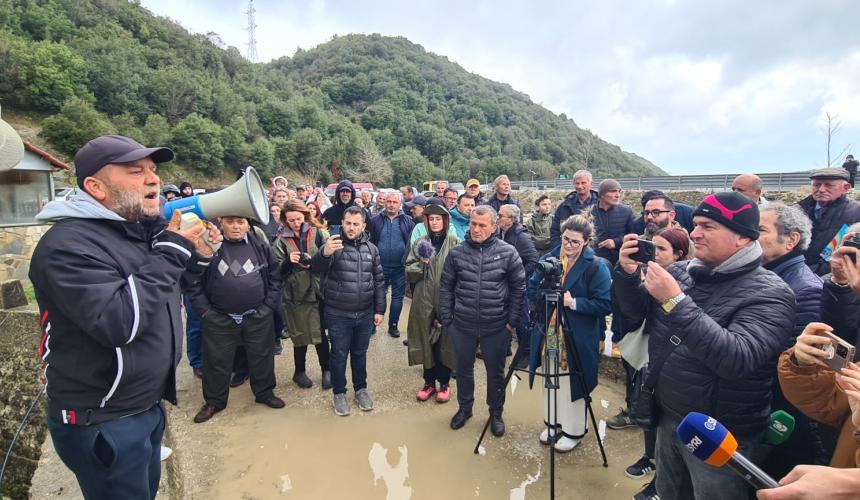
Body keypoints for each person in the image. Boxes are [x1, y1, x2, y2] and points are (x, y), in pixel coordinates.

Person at [30, 135, 220, 499]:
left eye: (152, 170)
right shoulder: (67, 246)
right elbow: (119, 322)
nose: (153, 179)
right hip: (102, 418)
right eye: (136, 171)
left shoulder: (132, 233)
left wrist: (196, 255)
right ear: (95, 187)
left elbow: (165, 290)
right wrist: (171, 250)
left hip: (142, 405)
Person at [613, 191, 795, 500]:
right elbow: (636, 313)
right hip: (671, 417)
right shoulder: (682, 272)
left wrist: (675, 300)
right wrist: (628, 275)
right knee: (670, 493)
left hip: (722, 432)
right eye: (695, 224)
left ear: (742, 237)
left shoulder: (773, 293)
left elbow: (737, 359)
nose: (695, 233)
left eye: (707, 226)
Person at [526, 214, 612, 452]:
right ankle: (553, 423)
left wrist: (573, 302)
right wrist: (544, 293)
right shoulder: (550, 258)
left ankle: (574, 430)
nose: (569, 245)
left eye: (575, 241)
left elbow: (604, 304)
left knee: (574, 381)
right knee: (551, 377)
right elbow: (531, 289)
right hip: (550, 331)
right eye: (566, 239)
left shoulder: (596, 266)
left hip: (578, 335)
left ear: (586, 241)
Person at [186, 215, 285, 423]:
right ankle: (214, 401)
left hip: (257, 316)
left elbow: (276, 278)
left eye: (240, 222)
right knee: (216, 362)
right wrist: (205, 312)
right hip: (219, 318)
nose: (236, 227)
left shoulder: (260, 246)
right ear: (221, 222)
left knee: (262, 357)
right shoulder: (209, 246)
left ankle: (265, 393)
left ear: (247, 224)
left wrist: (267, 308)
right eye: (230, 222)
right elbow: (192, 281)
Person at [439, 205, 526, 436]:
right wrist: (447, 319)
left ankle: (496, 413)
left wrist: (512, 321)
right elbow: (446, 287)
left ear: (494, 227)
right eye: (473, 224)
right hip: (462, 325)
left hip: (496, 326)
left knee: (495, 374)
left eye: (482, 225)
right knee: (463, 370)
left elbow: (519, 288)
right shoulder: (457, 253)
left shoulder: (508, 252)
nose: (476, 229)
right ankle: (464, 409)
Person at [622, 227, 694, 500]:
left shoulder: (687, 279)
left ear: (680, 254)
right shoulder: (651, 276)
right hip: (651, 356)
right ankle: (649, 459)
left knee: (671, 427)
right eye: (651, 247)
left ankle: (659, 480)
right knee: (649, 412)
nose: (653, 253)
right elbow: (633, 309)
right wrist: (628, 274)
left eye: (661, 249)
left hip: (674, 364)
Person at [311, 206, 385, 416]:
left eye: (356, 224)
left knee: (359, 354)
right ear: (342, 223)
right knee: (339, 354)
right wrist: (324, 253)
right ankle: (339, 393)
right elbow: (315, 268)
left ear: (363, 226)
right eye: (348, 223)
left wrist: (379, 310)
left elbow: (379, 281)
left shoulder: (372, 249)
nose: (351, 228)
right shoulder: (333, 245)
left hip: (364, 314)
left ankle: (361, 389)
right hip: (337, 313)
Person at [405, 202, 460, 403]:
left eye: (439, 219)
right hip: (423, 298)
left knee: (446, 342)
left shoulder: (455, 243)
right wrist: (420, 264)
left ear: (445, 221)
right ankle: (429, 383)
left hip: (447, 299)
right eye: (431, 219)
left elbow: (462, 272)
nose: (435, 222)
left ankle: (444, 384)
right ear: (426, 221)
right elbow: (409, 270)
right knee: (425, 339)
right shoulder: (420, 243)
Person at [274, 200, 331, 390]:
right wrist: (288, 262)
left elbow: (331, 259)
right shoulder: (281, 240)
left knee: (320, 334)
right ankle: (299, 372)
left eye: (299, 218)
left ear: (305, 215)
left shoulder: (318, 233)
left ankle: (326, 370)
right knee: (299, 335)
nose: (296, 223)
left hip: (318, 292)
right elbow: (276, 272)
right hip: (295, 295)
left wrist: (318, 259)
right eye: (291, 220)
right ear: (285, 220)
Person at [798, 167, 860, 275]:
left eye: (829, 185)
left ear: (846, 188)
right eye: (817, 185)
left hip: (833, 277)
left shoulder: (856, 213)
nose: (821, 190)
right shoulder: (798, 210)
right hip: (797, 274)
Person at [369, 192, 415, 337]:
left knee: (397, 298)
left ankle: (393, 325)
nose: (391, 204)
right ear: (384, 203)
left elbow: (411, 243)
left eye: (395, 202)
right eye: (389, 201)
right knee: (376, 296)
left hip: (399, 267)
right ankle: (372, 324)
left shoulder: (408, 221)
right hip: (379, 266)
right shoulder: (375, 220)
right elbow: (370, 242)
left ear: (400, 204)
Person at [499, 204, 539, 369]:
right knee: (505, 316)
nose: (498, 218)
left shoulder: (521, 237)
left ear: (511, 219)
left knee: (522, 321)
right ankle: (506, 348)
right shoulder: (503, 232)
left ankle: (526, 355)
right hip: (505, 284)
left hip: (518, 286)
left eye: (501, 216)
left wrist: (517, 275)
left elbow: (534, 260)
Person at [551, 169, 599, 248]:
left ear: (591, 183)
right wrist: (560, 249)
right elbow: (555, 232)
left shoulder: (600, 206)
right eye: (577, 183)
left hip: (594, 252)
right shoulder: (564, 206)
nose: (580, 186)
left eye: (583, 183)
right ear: (573, 184)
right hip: (568, 250)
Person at [591, 178, 634, 265]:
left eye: (619, 191)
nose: (617, 195)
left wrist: (616, 242)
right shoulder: (590, 212)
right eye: (613, 191)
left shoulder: (627, 211)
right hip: (595, 262)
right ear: (602, 194)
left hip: (620, 262)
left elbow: (634, 235)